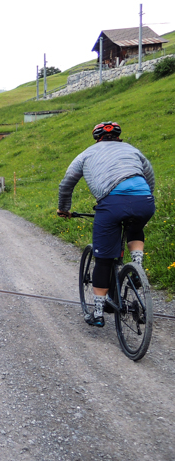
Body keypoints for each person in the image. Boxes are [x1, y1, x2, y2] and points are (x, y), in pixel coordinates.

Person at [57, 121, 155, 327]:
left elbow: (67, 183)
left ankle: (99, 313)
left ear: (96, 138)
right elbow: (150, 177)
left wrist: (64, 208)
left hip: (112, 204)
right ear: (118, 136)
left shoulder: (86, 154)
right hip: (144, 200)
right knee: (135, 228)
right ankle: (137, 268)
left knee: (102, 260)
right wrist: (144, 199)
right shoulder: (133, 150)